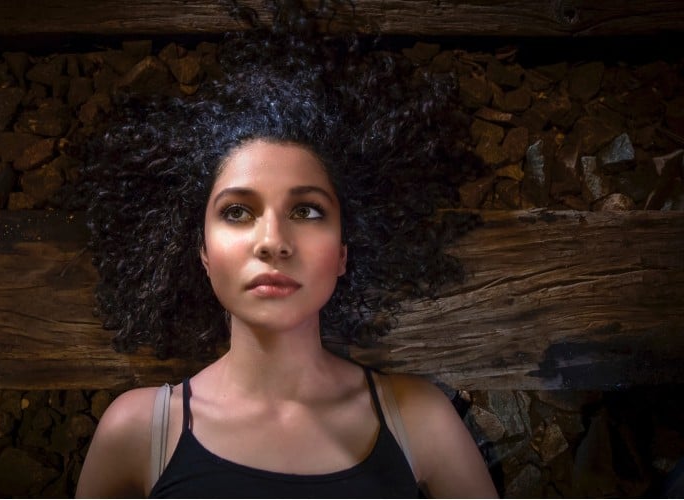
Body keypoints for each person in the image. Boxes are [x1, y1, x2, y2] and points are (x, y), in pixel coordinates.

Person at [76, 2, 497, 497]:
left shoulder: (421, 420)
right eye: (237, 212)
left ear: (343, 251)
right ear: (203, 253)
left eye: (307, 211)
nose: (273, 241)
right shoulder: (137, 431)